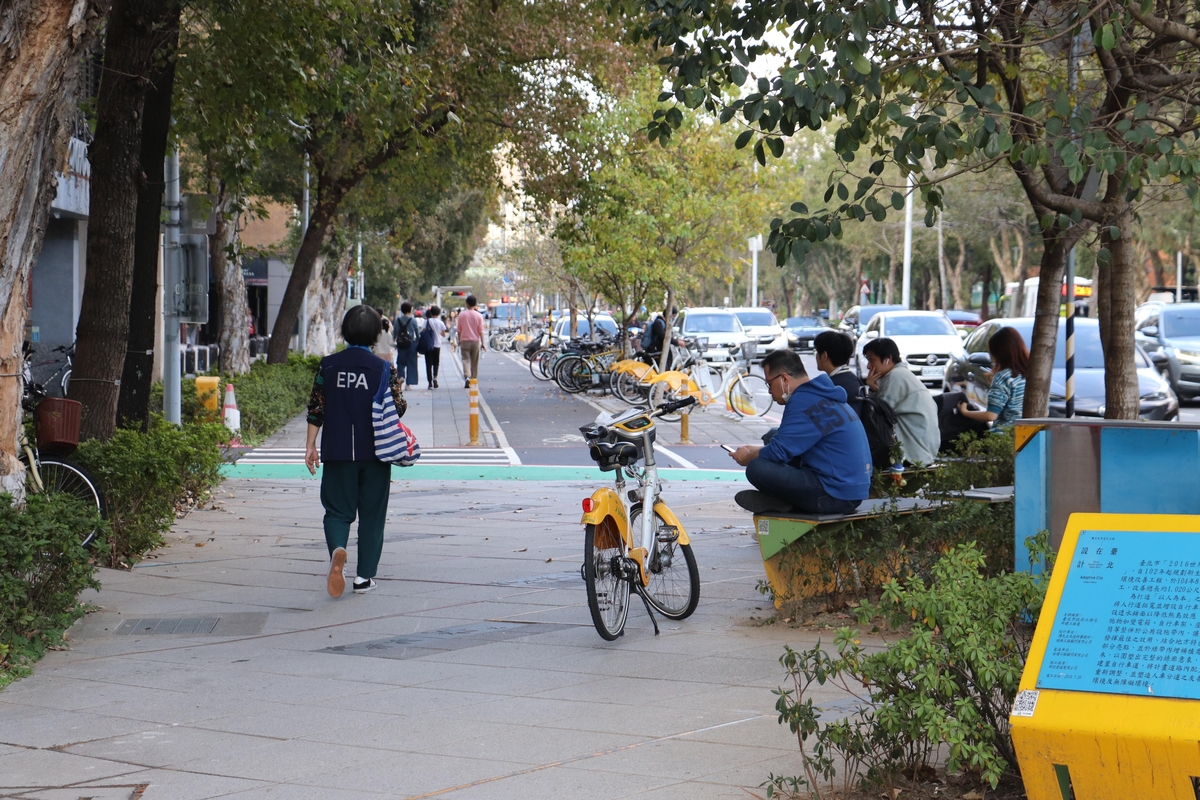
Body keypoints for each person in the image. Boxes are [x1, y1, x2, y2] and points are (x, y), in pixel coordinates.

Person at [304, 305, 404, 597]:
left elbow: (316, 408)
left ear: (344, 332)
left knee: (336, 510)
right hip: (375, 453)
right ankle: (364, 577)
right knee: (372, 514)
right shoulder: (384, 368)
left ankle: (338, 549)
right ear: (376, 333)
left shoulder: (328, 365)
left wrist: (311, 445)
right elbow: (398, 408)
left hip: (336, 451)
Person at [729, 349, 872, 515]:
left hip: (834, 495)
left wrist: (747, 457)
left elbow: (778, 452)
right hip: (853, 490)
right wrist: (754, 450)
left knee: (756, 468)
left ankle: (782, 501)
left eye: (769, 384)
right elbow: (786, 442)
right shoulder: (821, 394)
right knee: (772, 436)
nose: (769, 391)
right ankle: (781, 501)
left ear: (784, 379)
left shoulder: (802, 400)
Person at [863, 337, 940, 465]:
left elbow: (877, 418)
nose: (868, 366)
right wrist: (875, 390)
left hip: (912, 453)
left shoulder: (894, 376)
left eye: (872, 360)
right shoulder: (902, 374)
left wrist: (872, 394)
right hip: (925, 449)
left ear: (888, 359)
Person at [957, 326, 1028, 428]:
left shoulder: (1003, 376)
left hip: (1005, 437)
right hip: (1030, 434)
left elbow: (991, 415)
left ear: (999, 353)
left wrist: (965, 412)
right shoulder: (1034, 374)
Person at [814, 330, 863, 415]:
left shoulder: (830, 386)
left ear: (824, 355)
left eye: (817, 352)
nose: (816, 356)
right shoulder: (854, 380)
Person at [457, 294, 485, 388]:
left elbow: (459, 330)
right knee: (475, 361)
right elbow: (481, 331)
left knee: (465, 360)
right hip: (475, 341)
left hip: (464, 340)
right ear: (475, 304)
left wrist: (459, 340)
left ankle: (467, 376)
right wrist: (483, 343)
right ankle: (473, 379)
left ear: (467, 304)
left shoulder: (461, 315)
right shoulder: (479, 316)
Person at [394, 302, 419, 388]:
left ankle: (401, 376)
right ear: (410, 310)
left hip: (401, 343)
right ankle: (409, 384)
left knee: (400, 362)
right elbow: (417, 333)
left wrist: (395, 340)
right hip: (411, 343)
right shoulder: (413, 320)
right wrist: (418, 342)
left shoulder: (398, 320)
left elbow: (395, 332)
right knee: (411, 363)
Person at [422, 305, 446, 389]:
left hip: (428, 345)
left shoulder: (427, 321)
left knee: (428, 364)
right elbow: (443, 334)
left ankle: (430, 382)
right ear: (439, 313)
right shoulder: (440, 322)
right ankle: (435, 378)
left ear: (431, 313)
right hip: (437, 345)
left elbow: (423, 331)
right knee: (436, 363)